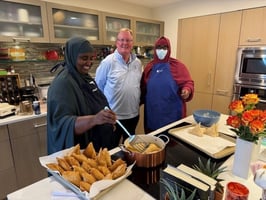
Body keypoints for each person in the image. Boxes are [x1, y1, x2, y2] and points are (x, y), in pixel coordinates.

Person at [47, 36, 117, 154]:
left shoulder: (83, 76)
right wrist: (95, 119)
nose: (89, 63)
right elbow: (63, 124)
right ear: (72, 57)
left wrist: (107, 119)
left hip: (97, 149)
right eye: (84, 58)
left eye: (91, 58)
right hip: (80, 154)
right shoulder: (63, 84)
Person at [95, 28, 142, 145]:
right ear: (116, 42)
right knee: (111, 149)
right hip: (113, 118)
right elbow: (98, 89)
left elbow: (137, 86)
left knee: (131, 149)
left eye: (128, 40)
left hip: (133, 115)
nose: (124, 43)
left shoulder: (138, 63)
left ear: (132, 43)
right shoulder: (108, 62)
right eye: (121, 40)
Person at [140, 36, 194, 133]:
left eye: (164, 48)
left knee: (173, 143)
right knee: (154, 142)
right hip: (153, 114)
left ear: (169, 49)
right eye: (159, 47)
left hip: (172, 114)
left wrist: (187, 90)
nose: (161, 50)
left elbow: (188, 82)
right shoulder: (149, 67)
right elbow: (142, 89)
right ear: (155, 49)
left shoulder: (178, 66)